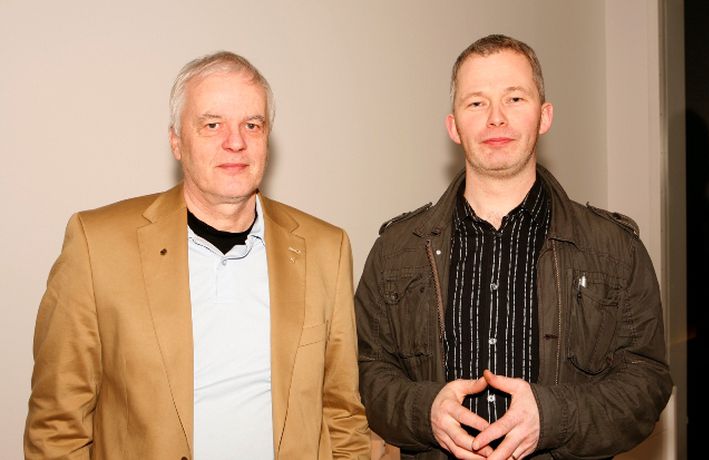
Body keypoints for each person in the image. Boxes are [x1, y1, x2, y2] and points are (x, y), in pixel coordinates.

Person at [25, 51, 370, 459]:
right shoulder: (97, 245)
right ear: (176, 141)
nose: (235, 142)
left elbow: (343, 416)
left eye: (252, 125)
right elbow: (57, 426)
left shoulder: (326, 249)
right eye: (212, 124)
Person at [355, 34, 672, 460]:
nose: (496, 119)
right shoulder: (395, 252)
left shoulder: (615, 250)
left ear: (544, 116)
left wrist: (555, 417)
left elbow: (647, 383)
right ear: (453, 126)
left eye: (515, 99)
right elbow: (366, 371)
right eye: (476, 103)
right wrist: (424, 410)